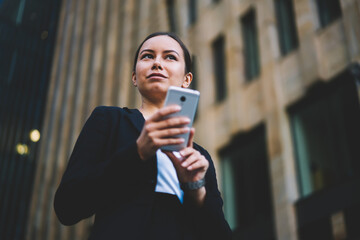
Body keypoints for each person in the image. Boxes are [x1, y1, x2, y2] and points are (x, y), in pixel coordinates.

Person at [54, 32, 232, 240]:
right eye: (147, 56)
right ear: (134, 77)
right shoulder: (109, 120)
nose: (157, 63)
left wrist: (195, 188)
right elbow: (67, 206)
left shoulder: (199, 156)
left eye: (170, 57)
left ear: (187, 79)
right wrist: (137, 153)